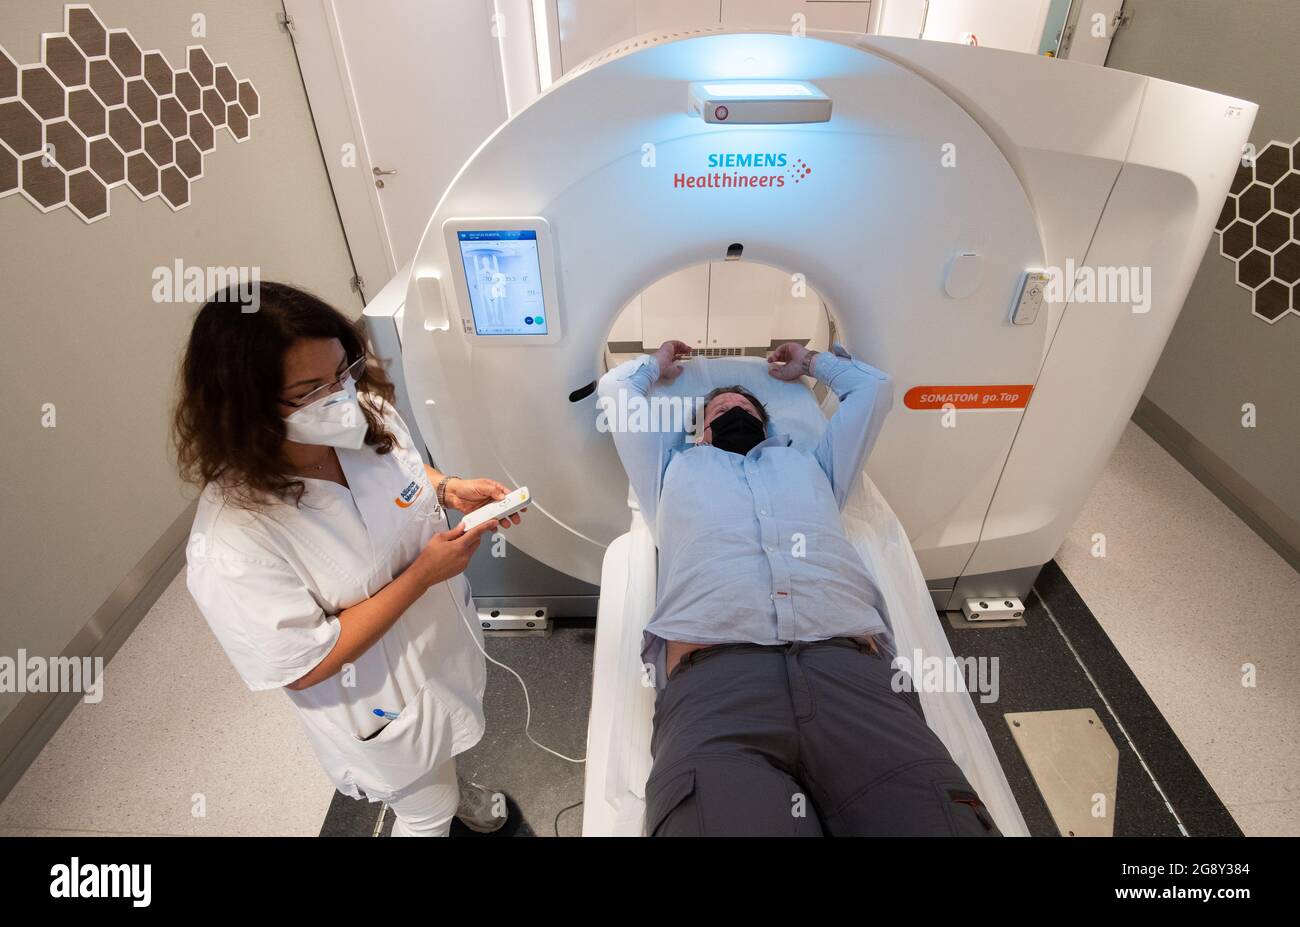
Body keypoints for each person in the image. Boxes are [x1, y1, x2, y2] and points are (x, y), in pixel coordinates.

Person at [597, 339, 1001, 836]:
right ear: (699, 427)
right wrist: (656, 366)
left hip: (854, 678)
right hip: (718, 688)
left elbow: (873, 390)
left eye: (744, 407)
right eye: (718, 409)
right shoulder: (668, 469)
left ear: (766, 423)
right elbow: (617, 389)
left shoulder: (815, 465)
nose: (731, 411)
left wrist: (809, 364)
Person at [175, 282, 522, 837]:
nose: (340, 396)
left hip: (440, 644)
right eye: (310, 389)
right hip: (377, 698)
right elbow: (305, 664)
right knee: (421, 813)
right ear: (245, 406)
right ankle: (432, 809)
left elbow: (404, 473)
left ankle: (451, 790)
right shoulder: (232, 541)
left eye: (343, 370)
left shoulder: (361, 413)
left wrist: (448, 488)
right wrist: (423, 575)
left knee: (452, 737)